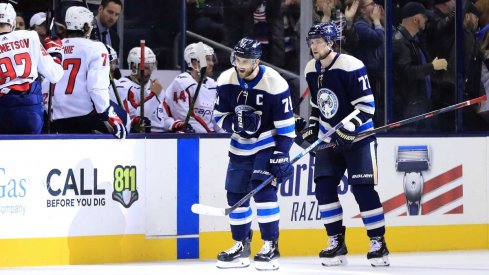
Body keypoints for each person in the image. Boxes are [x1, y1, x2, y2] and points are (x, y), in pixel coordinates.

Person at [301, 22, 389, 267]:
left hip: (359, 138)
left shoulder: (351, 65)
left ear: (330, 42)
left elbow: (367, 107)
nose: (313, 46)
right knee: (324, 188)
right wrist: (312, 124)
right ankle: (336, 241)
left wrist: (348, 130)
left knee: (362, 189)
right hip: (330, 139)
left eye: (318, 41)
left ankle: (378, 243)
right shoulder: (311, 68)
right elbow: (320, 105)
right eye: (311, 42)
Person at [213, 37, 296, 271]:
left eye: (246, 60)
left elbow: (286, 126)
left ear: (256, 61)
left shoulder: (274, 83)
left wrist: (281, 153)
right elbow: (219, 118)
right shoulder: (226, 79)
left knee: (263, 193)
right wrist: (236, 126)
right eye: (238, 59)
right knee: (235, 196)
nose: (240, 64)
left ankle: (270, 245)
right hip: (240, 146)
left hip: (266, 144)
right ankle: (241, 245)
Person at [50, 6, 127, 139]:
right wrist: (109, 114)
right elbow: (96, 88)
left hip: (57, 117)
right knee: (124, 118)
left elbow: (46, 85)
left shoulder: (55, 47)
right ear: (86, 26)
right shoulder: (96, 47)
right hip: (85, 115)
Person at [0, 2, 64, 134]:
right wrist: (56, 53)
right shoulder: (30, 36)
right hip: (31, 110)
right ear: (12, 22)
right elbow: (55, 74)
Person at [392, 2, 447, 130]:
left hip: (419, 106)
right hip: (409, 109)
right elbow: (406, 72)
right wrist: (432, 66)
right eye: (424, 17)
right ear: (415, 19)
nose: (426, 20)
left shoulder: (412, 40)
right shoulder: (399, 41)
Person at [119, 46, 188, 133]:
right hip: (141, 140)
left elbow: (162, 120)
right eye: (146, 68)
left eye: (151, 67)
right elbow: (137, 120)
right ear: (133, 67)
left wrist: (175, 124)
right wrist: (154, 96)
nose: (150, 72)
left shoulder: (154, 86)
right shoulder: (123, 87)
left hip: (160, 138)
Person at [164, 42, 221, 133]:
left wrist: (226, 134)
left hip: (208, 136)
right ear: (195, 64)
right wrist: (210, 136)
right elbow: (185, 118)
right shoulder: (182, 83)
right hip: (188, 137)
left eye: (212, 60)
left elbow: (217, 118)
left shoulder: (213, 85)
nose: (212, 63)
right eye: (207, 60)